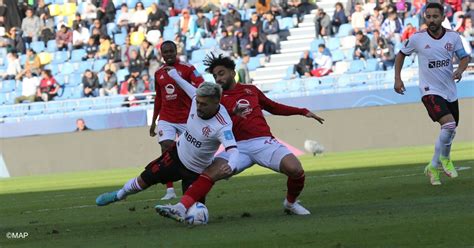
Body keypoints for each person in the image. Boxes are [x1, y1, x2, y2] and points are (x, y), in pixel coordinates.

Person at [156, 53, 325, 223]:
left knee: (295, 169)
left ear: (232, 72)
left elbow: (274, 107)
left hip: (264, 142)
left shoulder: (250, 90)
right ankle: (180, 208)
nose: (218, 79)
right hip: (237, 147)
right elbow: (207, 115)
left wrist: (302, 111)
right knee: (210, 173)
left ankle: (290, 203)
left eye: (221, 73)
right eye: (215, 76)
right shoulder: (215, 98)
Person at [95, 81, 239, 209]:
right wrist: (173, 74)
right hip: (175, 156)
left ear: (216, 102)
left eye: (204, 104)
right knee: (143, 181)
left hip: (196, 171)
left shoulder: (223, 125)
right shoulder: (197, 99)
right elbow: (186, 86)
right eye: (198, 103)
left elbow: (234, 151)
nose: (198, 107)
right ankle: (119, 195)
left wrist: (231, 166)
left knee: (195, 211)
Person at [394, 2, 470, 186]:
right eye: (428, 16)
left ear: (443, 17)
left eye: (435, 16)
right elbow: (401, 54)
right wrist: (397, 78)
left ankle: (437, 164)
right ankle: (440, 161)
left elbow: (465, 57)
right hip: (429, 90)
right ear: (424, 17)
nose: (431, 20)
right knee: (449, 124)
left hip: (449, 90)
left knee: (450, 130)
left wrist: (460, 70)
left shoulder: (453, 37)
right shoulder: (417, 38)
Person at [150, 40, 204, 200]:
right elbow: (159, 98)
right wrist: (154, 121)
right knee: (166, 148)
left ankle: (192, 181)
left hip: (186, 118)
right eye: (165, 52)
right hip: (166, 118)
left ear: (176, 51)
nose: (168, 55)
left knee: (192, 150)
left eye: (171, 51)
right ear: (162, 54)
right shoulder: (158, 73)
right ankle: (170, 190)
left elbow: (201, 85)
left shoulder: (188, 69)